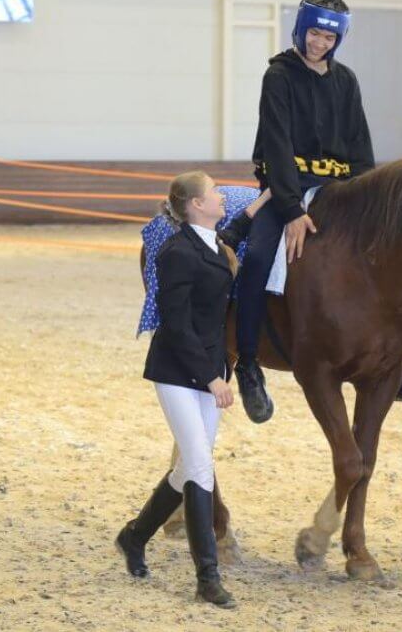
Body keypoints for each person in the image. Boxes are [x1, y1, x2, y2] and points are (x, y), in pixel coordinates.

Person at [235, 0, 375, 423]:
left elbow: (360, 146)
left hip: (337, 193)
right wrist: (293, 210)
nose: (319, 44)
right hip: (285, 190)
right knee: (258, 257)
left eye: (328, 39)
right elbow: (276, 145)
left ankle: (396, 359)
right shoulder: (278, 76)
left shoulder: (346, 80)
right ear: (301, 28)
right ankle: (247, 363)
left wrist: (366, 197)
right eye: (314, 33)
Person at [116, 171, 237, 609]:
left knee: (188, 466)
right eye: (215, 192)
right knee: (201, 466)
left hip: (208, 370)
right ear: (196, 205)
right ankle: (208, 577)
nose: (223, 196)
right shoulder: (176, 253)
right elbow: (177, 323)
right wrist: (213, 377)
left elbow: (236, 230)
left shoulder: (213, 241)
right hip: (177, 372)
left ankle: (134, 536)